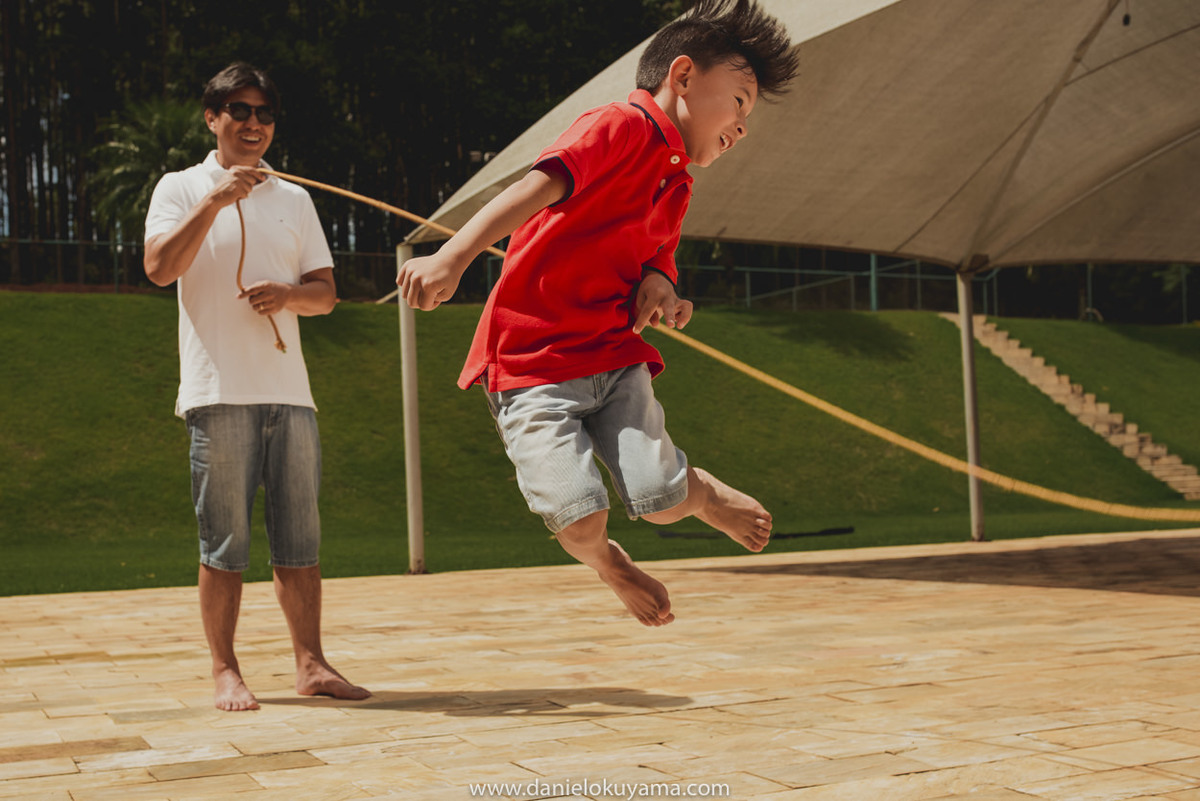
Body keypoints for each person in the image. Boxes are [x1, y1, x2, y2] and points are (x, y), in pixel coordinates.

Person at [397, 0, 800, 627]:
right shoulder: (616, 125)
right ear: (684, 75)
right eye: (741, 101)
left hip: (612, 355)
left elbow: (658, 255)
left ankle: (702, 493)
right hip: (532, 363)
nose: (743, 126)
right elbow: (530, 191)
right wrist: (451, 257)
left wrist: (661, 288)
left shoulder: (679, 181)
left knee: (662, 499)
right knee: (578, 517)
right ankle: (609, 564)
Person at [143, 62, 369, 710]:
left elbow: (325, 295)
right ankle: (224, 669)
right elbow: (160, 267)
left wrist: (290, 294)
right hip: (219, 392)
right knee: (224, 543)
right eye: (239, 110)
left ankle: (312, 664)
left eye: (264, 113)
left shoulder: (295, 198)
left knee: (301, 541)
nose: (253, 123)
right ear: (211, 117)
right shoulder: (180, 187)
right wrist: (216, 201)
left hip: (291, 394)